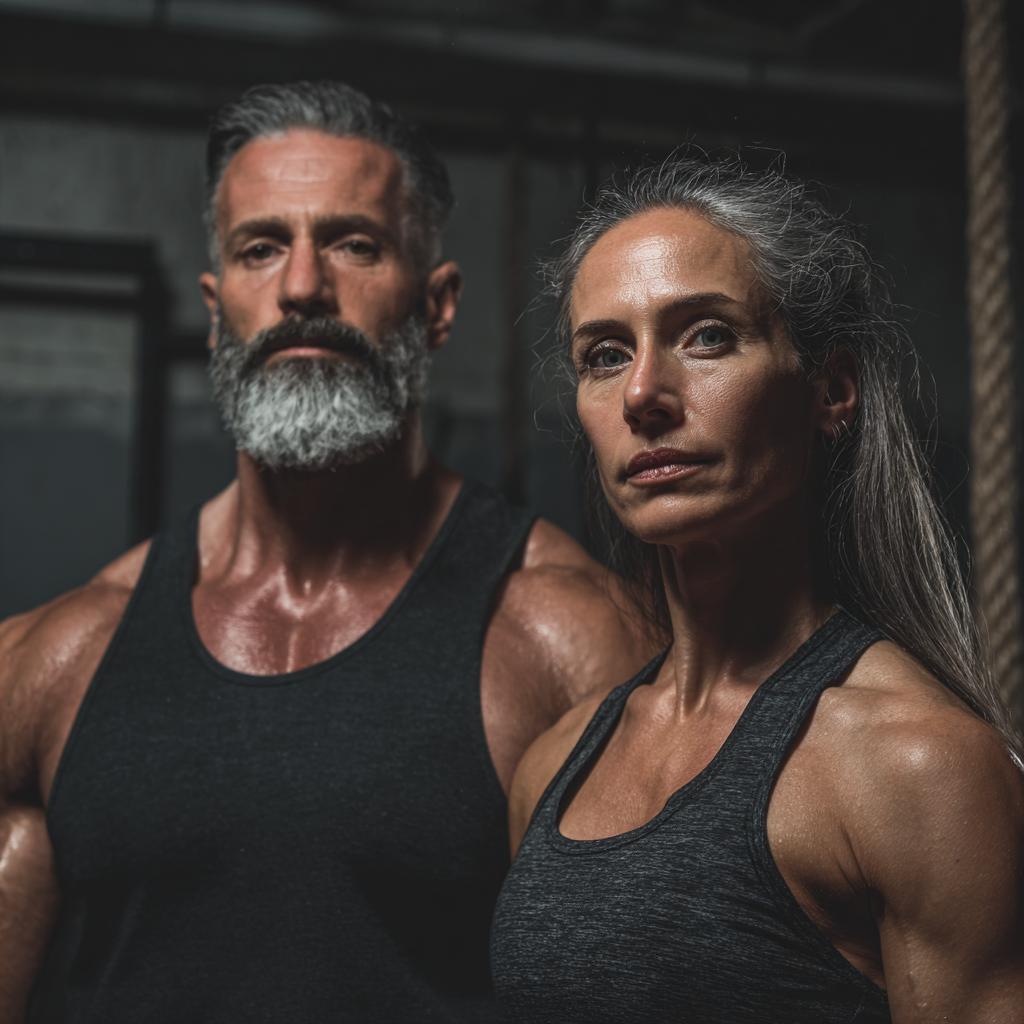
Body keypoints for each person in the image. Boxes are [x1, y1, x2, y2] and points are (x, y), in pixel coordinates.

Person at [0, 81, 653, 1023]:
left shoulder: (572, 639)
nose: (303, 287)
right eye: (261, 248)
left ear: (437, 305)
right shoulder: (60, 657)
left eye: (354, 244)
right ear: (217, 309)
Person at [490, 153, 1024, 1023]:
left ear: (832, 389)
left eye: (706, 336)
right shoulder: (554, 766)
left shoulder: (917, 767)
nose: (643, 394)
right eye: (605, 355)